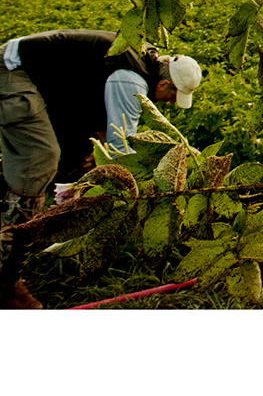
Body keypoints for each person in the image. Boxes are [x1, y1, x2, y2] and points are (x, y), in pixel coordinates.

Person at [0, 29, 203, 309]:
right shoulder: (130, 78)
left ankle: (18, 227)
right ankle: (6, 280)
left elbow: (104, 132)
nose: (170, 103)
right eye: (172, 96)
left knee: (76, 158)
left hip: (41, 79)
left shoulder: (142, 61)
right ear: (164, 83)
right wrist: (146, 192)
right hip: (13, 69)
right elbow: (120, 146)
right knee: (39, 159)